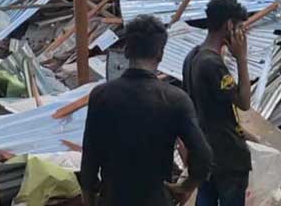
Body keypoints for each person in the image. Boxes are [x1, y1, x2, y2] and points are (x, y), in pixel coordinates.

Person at [80, 15, 212, 206]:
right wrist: (186, 186)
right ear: (160, 54)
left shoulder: (101, 96)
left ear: (126, 50)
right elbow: (203, 156)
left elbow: (90, 159)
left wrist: (90, 200)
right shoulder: (175, 99)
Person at [183, 0, 252, 206]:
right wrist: (241, 58)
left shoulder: (192, 56)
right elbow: (244, 102)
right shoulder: (212, 63)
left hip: (205, 153)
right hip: (228, 157)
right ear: (229, 25)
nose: (243, 33)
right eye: (240, 27)